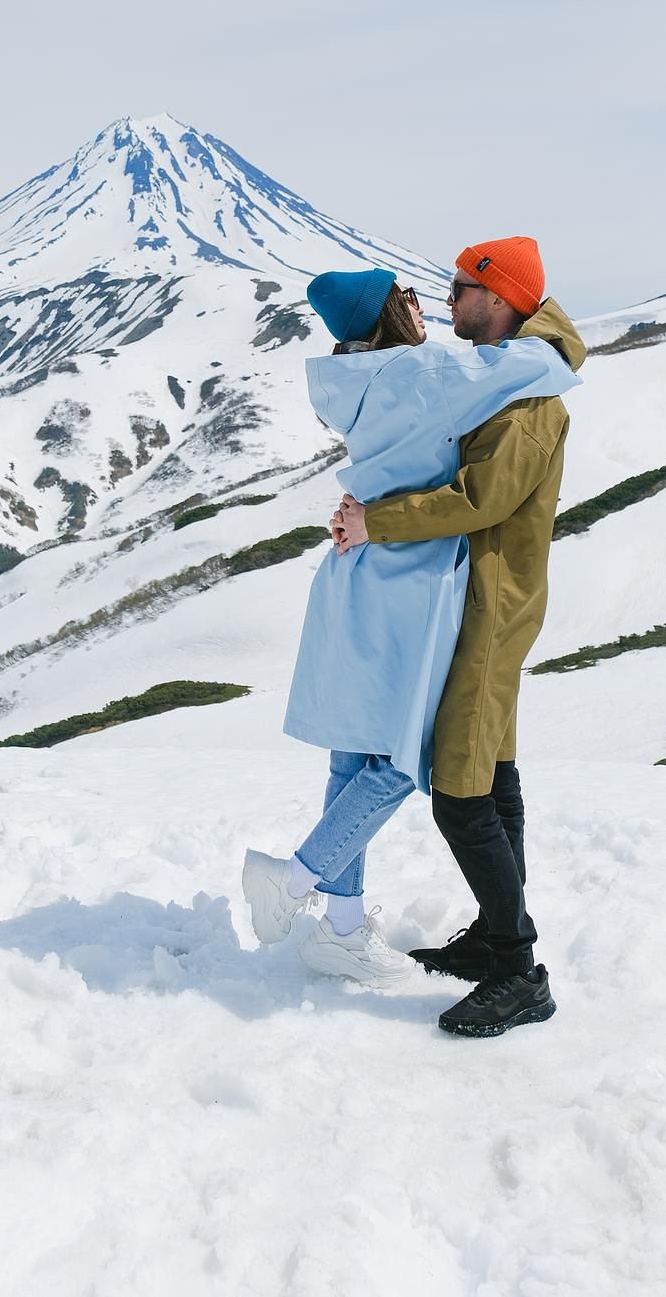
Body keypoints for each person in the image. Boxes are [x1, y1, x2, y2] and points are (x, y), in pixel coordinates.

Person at [242, 263, 580, 989]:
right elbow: (535, 366)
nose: (426, 304)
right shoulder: (425, 372)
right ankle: (296, 879)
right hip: (409, 580)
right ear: (391, 313)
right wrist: (552, 328)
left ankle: (340, 929)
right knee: (401, 758)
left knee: (351, 757)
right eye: (408, 297)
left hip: (355, 573)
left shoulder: (345, 378)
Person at [333, 236, 586, 1036]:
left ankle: (518, 971)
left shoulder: (529, 401)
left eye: (458, 290)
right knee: (495, 770)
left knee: (460, 790)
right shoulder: (508, 377)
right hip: (480, 601)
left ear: (500, 295)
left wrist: (379, 522)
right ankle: (495, 936)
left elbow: (481, 499)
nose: (446, 305)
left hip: (491, 608)